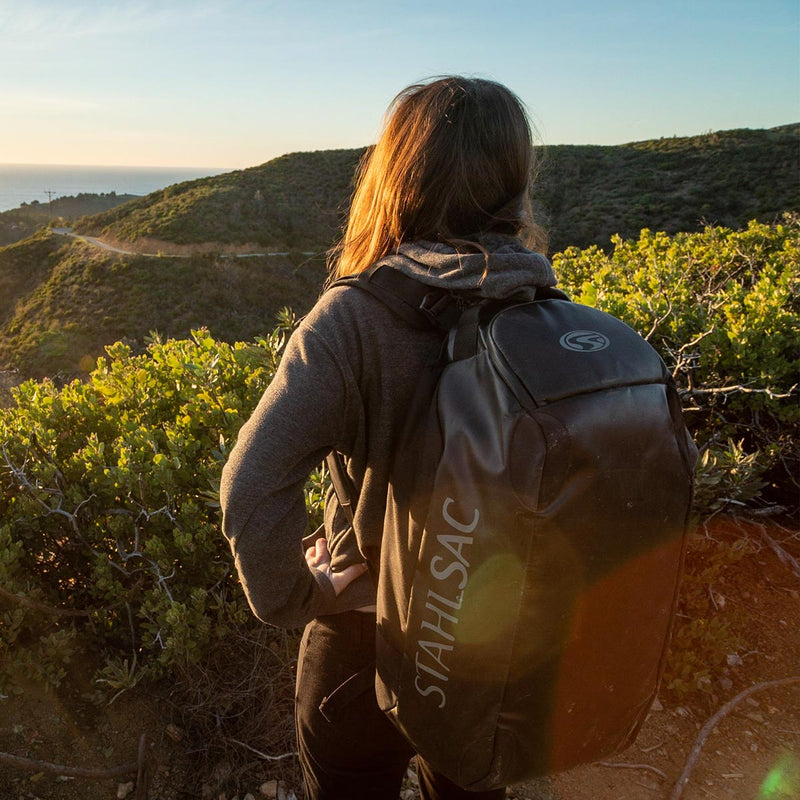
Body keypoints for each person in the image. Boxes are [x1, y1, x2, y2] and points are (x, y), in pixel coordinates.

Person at [220, 75, 557, 800]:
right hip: (495, 642)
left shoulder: (354, 319)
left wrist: (300, 596)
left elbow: (251, 482)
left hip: (364, 637)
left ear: (397, 175)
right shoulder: (548, 314)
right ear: (515, 181)